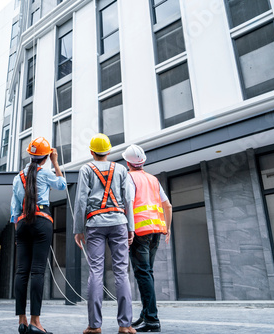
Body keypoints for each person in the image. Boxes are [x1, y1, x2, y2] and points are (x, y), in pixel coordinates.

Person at [73, 133, 137, 334]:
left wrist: (78, 229)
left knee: (96, 272)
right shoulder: (120, 169)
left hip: (94, 223)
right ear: (109, 151)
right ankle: (125, 325)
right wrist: (131, 227)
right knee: (121, 272)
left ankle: (94, 326)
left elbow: (81, 199)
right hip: (119, 222)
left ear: (92, 152)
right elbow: (128, 199)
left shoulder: (86, 169)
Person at [11, 137, 66, 334]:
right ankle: (35, 322)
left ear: (30, 154)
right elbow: (62, 185)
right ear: (44, 158)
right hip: (42, 221)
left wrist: (18, 229)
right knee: (37, 271)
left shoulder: (18, 177)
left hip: (23, 223)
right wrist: (55, 162)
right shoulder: (46, 172)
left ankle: (22, 320)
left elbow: (14, 209)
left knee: (21, 271)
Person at [122, 144, 172, 333]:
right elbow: (168, 206)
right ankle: (146, 315)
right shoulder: (153, 179)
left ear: (128, 162)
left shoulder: (128, 178)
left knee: (143, 274)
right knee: (147, 273)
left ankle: (151, 319)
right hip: (156, 231)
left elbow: (129, 203)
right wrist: (167, 228)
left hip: (139, 232)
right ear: (143, 161)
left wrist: (129, 230)